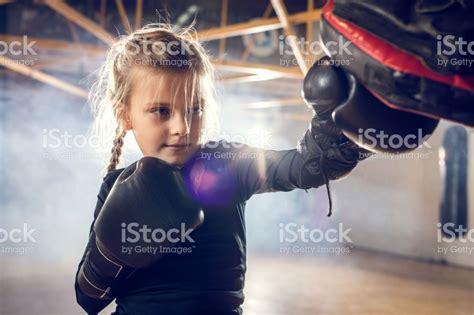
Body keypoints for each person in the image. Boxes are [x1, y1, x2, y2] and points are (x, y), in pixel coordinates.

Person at [74, 23, 367, 315]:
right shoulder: (115, 185)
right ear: (125, 116)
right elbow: (88, 298)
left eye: (194, 109)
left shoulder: (228, 163)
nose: (182, 127)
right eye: (161, 111)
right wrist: (110, 253)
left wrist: (348, 123)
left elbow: (307, 167)